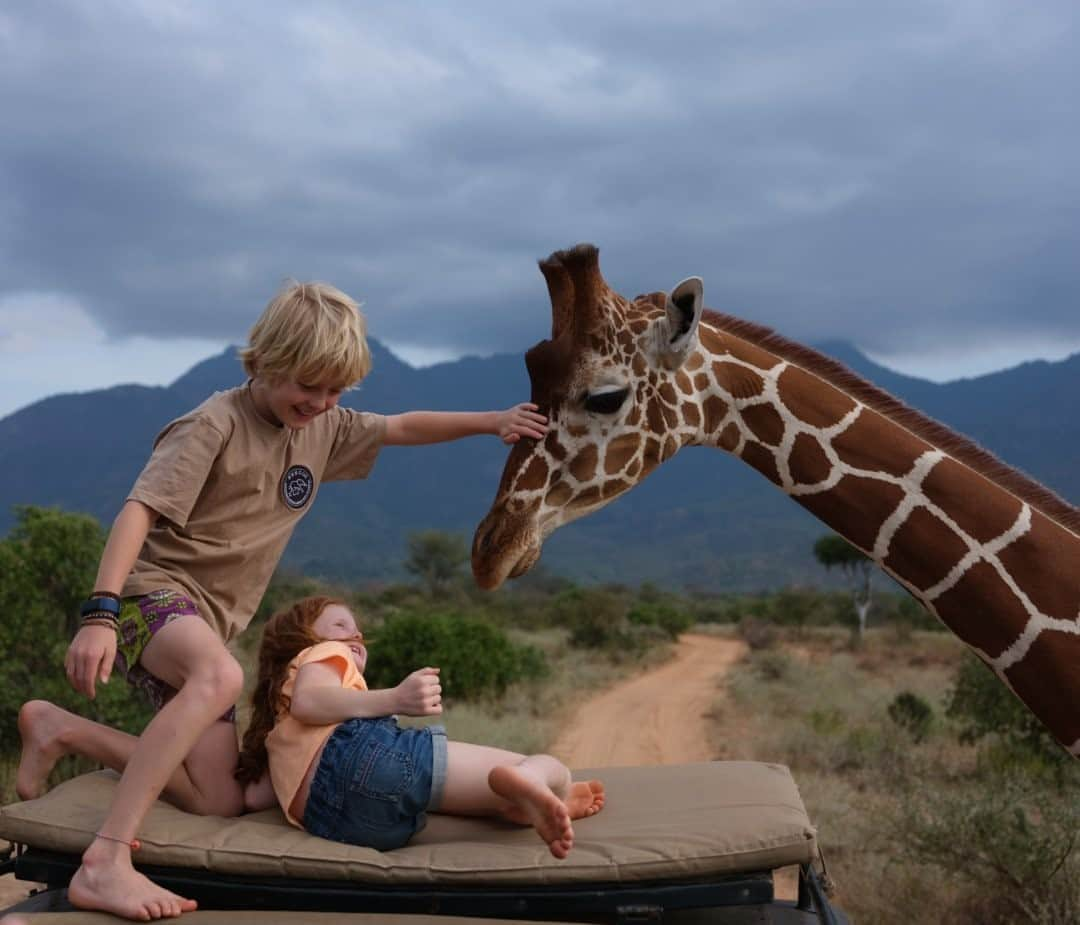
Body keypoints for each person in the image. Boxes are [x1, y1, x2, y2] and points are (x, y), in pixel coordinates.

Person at [16, 280, 548, 921]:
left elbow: (402, 425)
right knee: (220, 676)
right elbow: (138, 511)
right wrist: (100, 613)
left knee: (220, 800)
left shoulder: (324, 427)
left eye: (334, 392)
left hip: (206, 620)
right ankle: (106, 862)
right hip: (148, 597)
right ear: (264, 361)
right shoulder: (212, 426)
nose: (320, 403)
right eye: (307, 386)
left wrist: (493, 423)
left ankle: (61, 728)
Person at [235, 596, 605, 859]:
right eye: (340, 625)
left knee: (495, 820)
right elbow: (310, 702)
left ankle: (530, 807)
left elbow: (254, 798)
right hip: (364, 762)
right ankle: (541, 781)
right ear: (303, 639)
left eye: (358, 629)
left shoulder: (278, 733)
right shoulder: (320, 654)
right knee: (552, 765)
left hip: (341, 823)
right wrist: (394, 699)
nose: (355, 634)